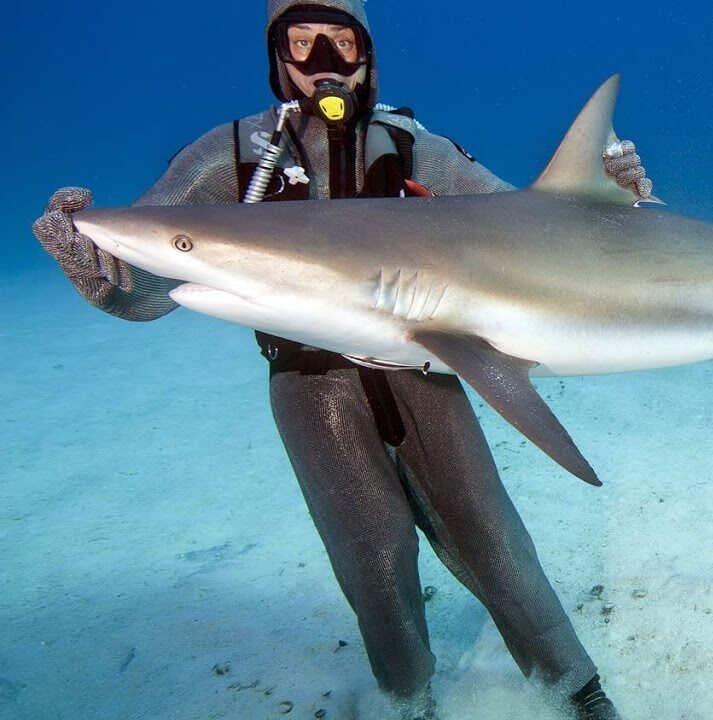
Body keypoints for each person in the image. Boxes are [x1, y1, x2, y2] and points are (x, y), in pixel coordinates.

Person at [31, 2, 652, 718]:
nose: (322, 58)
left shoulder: (412, 144)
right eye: (300, 42)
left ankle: (574, 686)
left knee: (491, 534)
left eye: (341, 40)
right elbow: (153, 279)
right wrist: (100, 279)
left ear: (368, 53)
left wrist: (605, 209)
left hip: (422, 366)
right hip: (308, 381)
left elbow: (524, 233)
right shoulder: (225, 155)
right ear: (276, 58)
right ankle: (407, 698)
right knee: (373, 559)